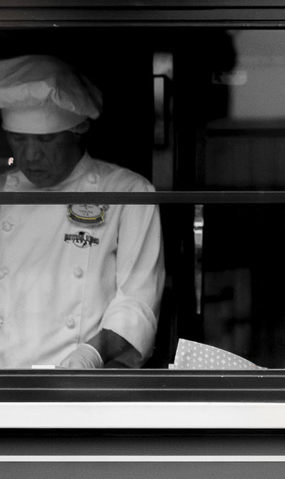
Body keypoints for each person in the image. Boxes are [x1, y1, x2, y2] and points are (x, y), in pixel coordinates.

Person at [0, 54, 165, 369]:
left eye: (46, 140)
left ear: (76, 131)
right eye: (18, 139)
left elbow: (137, 299)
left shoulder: (127, 192)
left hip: (79, 385)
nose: (30, 155)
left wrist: (90, 355)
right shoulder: (1, 194)